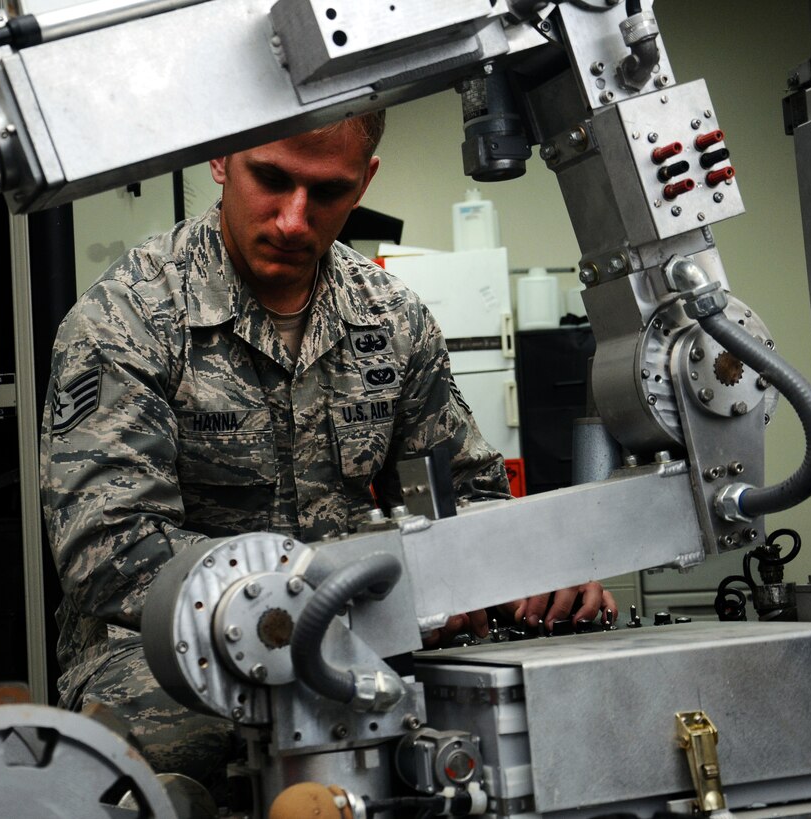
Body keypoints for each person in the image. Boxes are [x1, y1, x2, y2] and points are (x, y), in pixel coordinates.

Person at [40, 111, 615, 783]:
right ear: (220, 158)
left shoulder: (391, 319)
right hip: (171, 648)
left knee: (518, 727)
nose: (292, 218)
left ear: (364, 181)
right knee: (189, 754)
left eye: (327, 191)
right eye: (272, 179)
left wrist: (532, 560)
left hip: (366, 636)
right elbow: (110, 551)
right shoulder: (126, 320)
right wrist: (335, 590)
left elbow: (466, 495)